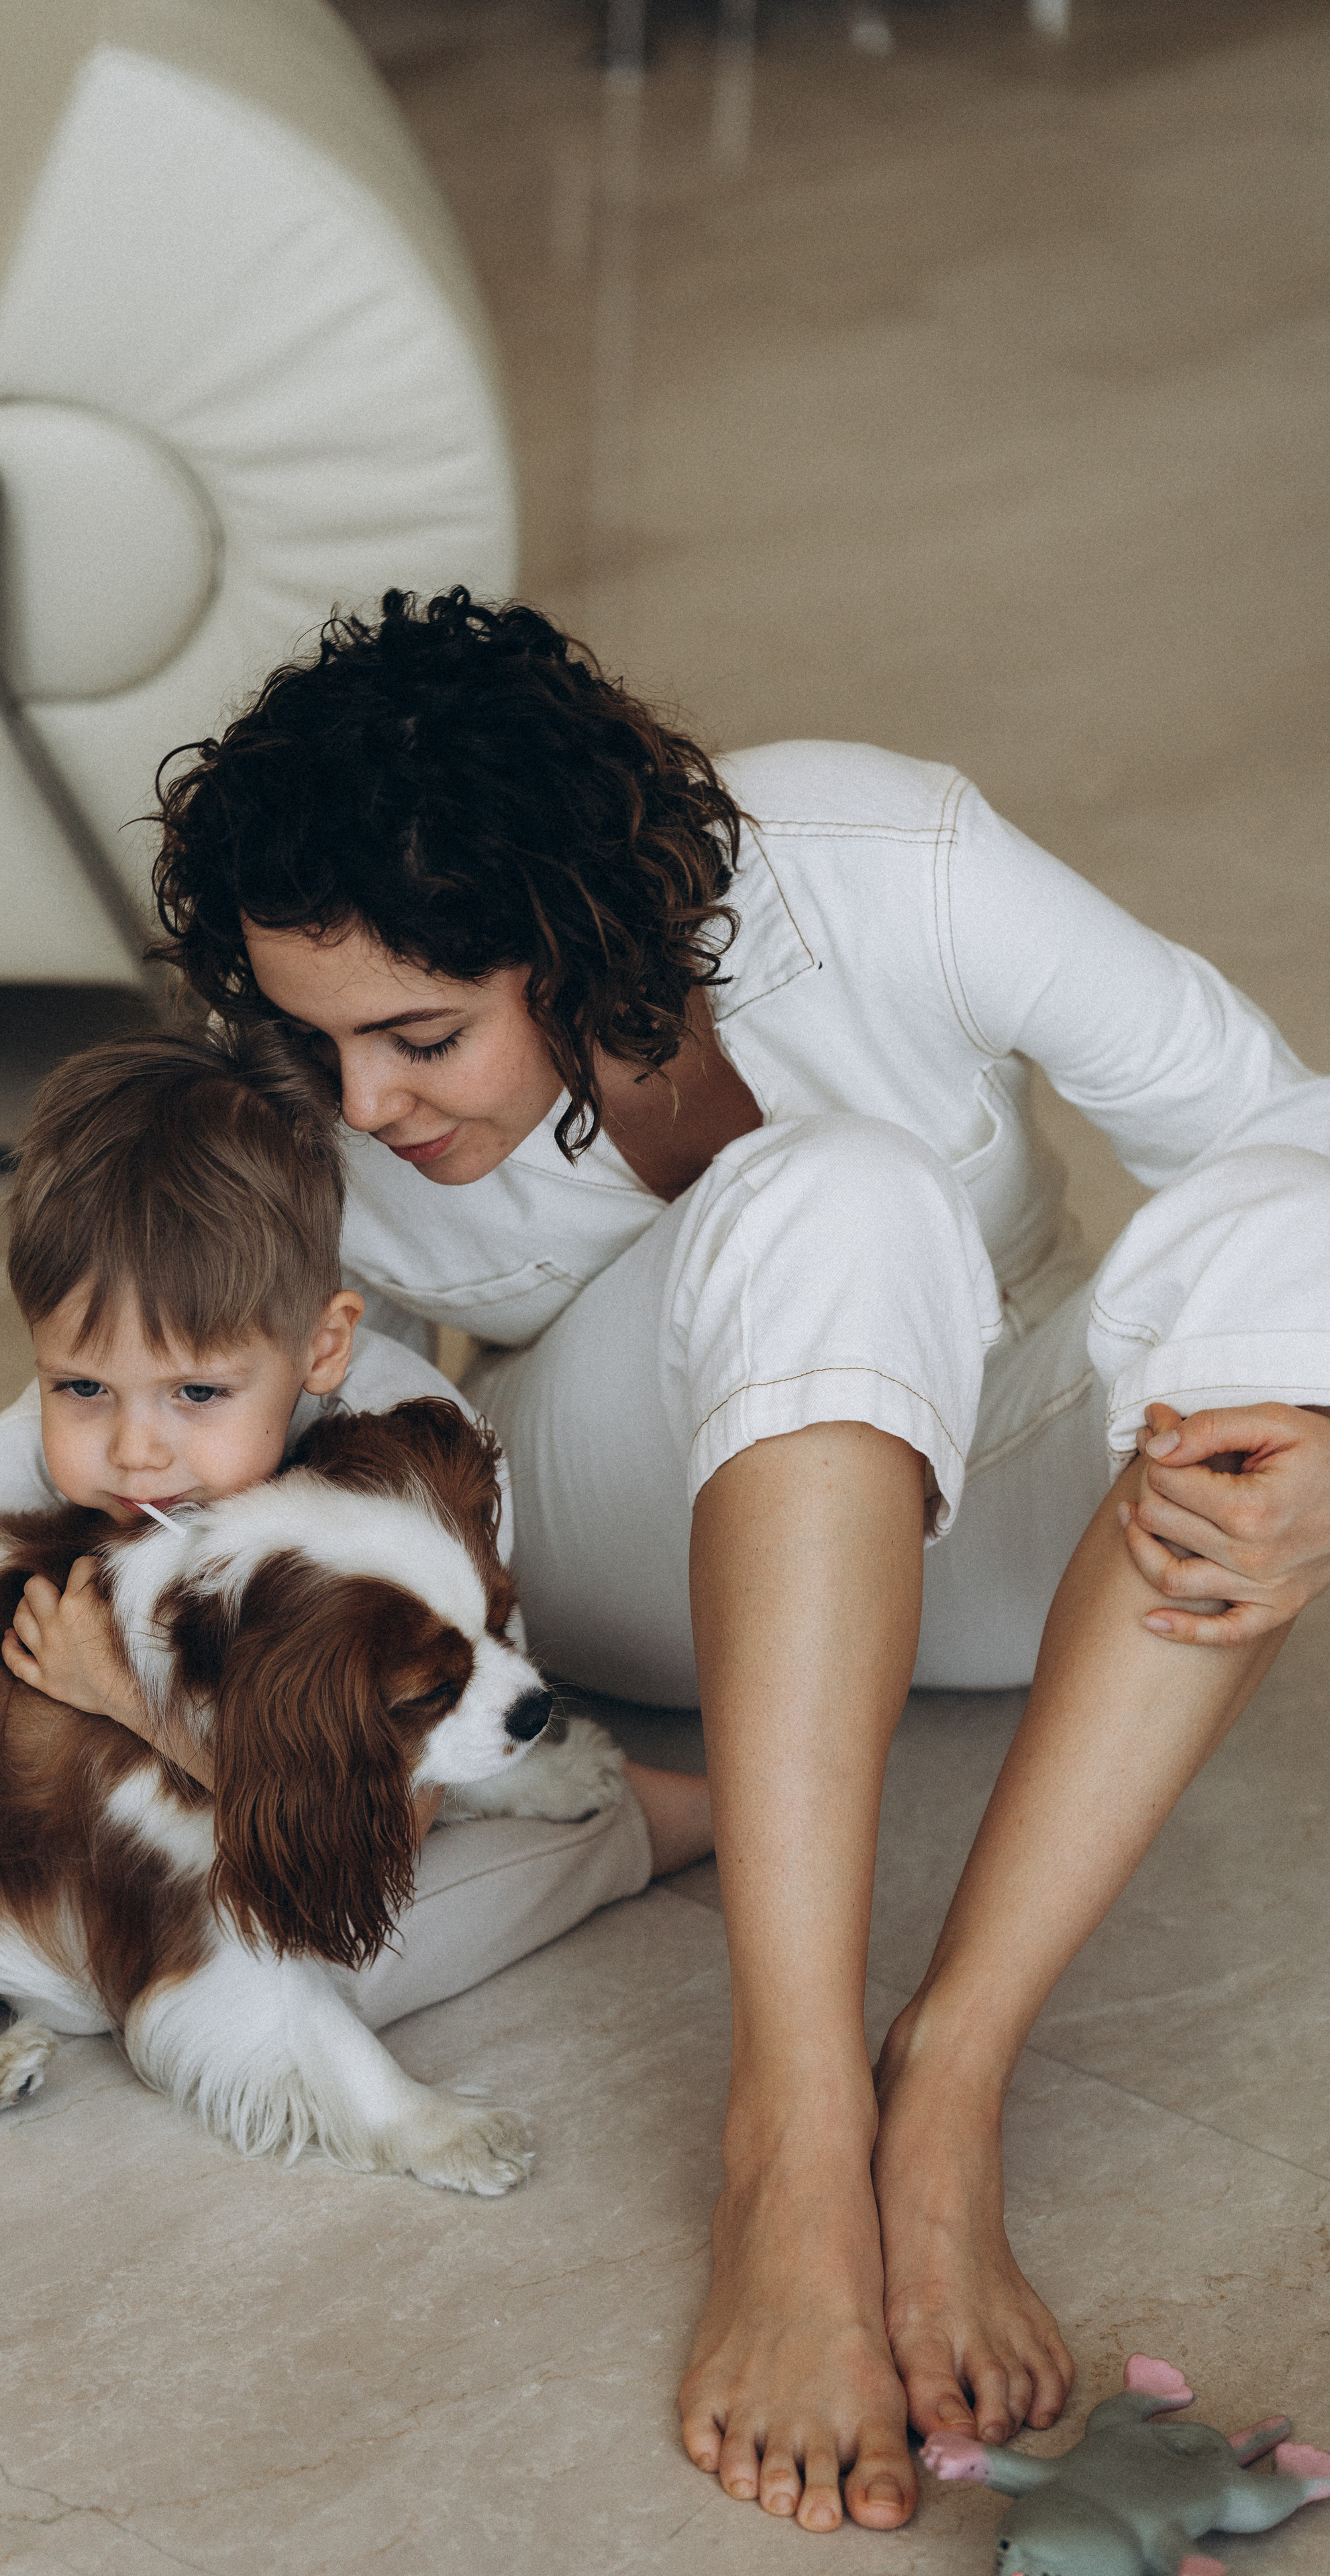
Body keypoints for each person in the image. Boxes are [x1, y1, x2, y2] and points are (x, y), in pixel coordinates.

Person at [144, 588, 1330, 2534]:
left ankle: (945, 2079)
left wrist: (1322, 1439)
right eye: (316, 1039)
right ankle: (795, 2133)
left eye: (420, 1035)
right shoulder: (309, 1123)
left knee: (1281, 1216)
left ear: (572, 928)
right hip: (634, 1544)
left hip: (1029, 1532)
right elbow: (130, 1396)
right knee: (840, 1186)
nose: (365, 1102)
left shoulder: (888, 862)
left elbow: (1283, 1138)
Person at [0, 1027, 714, 2014]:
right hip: (235, 1766)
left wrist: (126, 1707)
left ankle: (633, 1826)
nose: (136, 1450)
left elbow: (381, 1825)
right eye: (81, 1386)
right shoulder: (81, 1449)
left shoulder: (413, 1477)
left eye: (196, 1394)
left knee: (324, 1965)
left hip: (398, 1776)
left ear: (323, 1349)